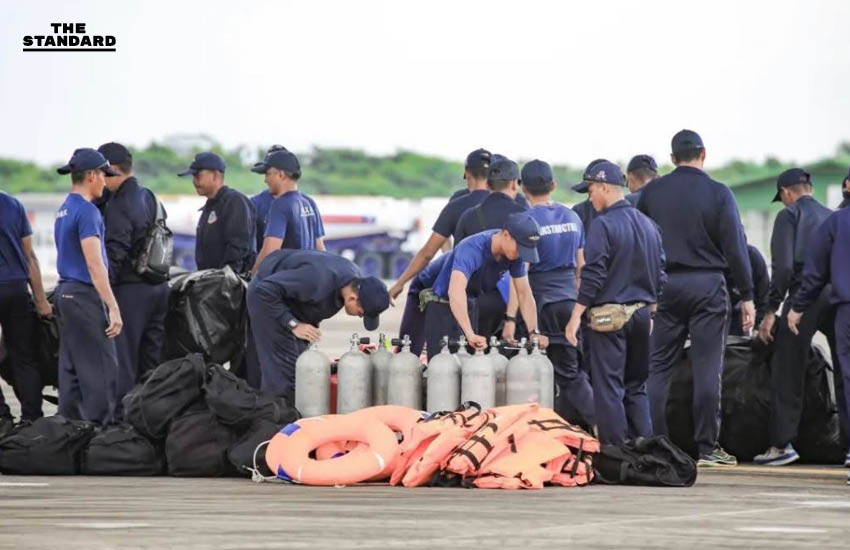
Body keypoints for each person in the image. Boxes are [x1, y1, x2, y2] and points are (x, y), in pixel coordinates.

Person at [638, 129, 754, 467]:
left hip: (663, 287)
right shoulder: (719, 193)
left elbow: (642, 239)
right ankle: (706, 447)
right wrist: (746, 294)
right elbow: (735, 246)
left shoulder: (652, 193)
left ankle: (654, 441)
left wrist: (646, 289)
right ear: (703, 154)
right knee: (707, 367)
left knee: (657, 368)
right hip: (707, 285)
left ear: (672, 158)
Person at [564, 161, 665, 446]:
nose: (590, 197)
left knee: (609, 387)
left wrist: (575, 317)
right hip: (642, 315)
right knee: (636, 387)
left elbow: (593, 275)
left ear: (606, 187)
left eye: (591, 190)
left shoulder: (602, 225)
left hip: (610, 318)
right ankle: (645, 448)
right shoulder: (649, 225)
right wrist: (652, 311)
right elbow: (661, 273)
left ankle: (616, 453)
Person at [753, 169, 837, 465]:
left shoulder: (789, 216)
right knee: (844, 369)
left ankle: (782, 445)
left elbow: (784, 268)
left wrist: (771, 311)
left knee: (787, 367)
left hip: (804, 296)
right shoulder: (833, 215)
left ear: (786, 193)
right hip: (838, 295)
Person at [509, 160, 592, 428]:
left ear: (522, 188)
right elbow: (582, 268)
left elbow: (521, 276)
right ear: (553, 185)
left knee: (535, 371)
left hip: (540, 304)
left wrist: (511, 317)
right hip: (570, 301)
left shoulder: (527, 222)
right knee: (571, 371)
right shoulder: (573, 217)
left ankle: (603, 425)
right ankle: (576, 426)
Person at [246, 249, 390, 402]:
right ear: (353, 299)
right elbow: (264, 290)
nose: (360, 316)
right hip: (265, 297)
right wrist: (293, 324)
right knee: (283, 373)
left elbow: (318, 301)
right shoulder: (316, 280)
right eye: (361, 313)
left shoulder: (353, 281)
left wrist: (311, 323)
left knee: (301, 367)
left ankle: (266, 407)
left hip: (287, 299)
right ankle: (277, 418)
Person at [53, 148, 123, 425]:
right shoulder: (88, 212)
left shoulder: (64, 209)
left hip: (65, 294)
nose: (106, 181)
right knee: (102, 369)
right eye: (103, 175)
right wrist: (113, 306)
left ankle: (69, 430)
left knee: (71, 369)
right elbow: (95, 264)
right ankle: (99, 433)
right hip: (83, 295)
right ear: (92, 175)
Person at [97, 142, 169, 403]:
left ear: (114, 170)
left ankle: (121, 424)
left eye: (102, 172)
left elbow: (116, 253)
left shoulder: (120, 204)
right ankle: (151, 417)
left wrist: (104, 295)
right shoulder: (149, 196)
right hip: (159, 287)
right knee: (151, 363)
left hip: (132, 290)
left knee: (123, 361)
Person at [421, 211, 545, 360]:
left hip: (471, 304)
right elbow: (456, 291)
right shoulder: (471, 248)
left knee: (472, 367)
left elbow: (524, 293)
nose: (521, 254)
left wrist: (534, 332)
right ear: (506, 235)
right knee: (443, 368)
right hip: (443, 307)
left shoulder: (515, 256)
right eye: (520, 248)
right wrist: (469, 333)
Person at [787, 206, 850, 468]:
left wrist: (798, 307)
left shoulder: (837, 222)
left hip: (847, 309)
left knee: (848, 378)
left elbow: (814, 273)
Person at [388, 149, 493, 301]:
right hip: (499, 287)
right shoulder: (507, 205)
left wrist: (400, 283)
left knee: (418, 287)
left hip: (464, 287)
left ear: (467, 174)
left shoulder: (456, 205)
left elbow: (428, 253)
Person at [454, 156, 529, 338]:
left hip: (472, 304)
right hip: (507, 304)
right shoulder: (525, 217)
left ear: (487, 185)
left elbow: (456, 264)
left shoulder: (468, 216)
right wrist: (511, 318)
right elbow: (523, 273)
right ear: (514, 184)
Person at [0, 191, 52, 434]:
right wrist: (41, 300)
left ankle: (2, 418)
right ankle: (33, 419)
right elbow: (29, 255)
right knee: (24, 357)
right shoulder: (13, 205)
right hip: (16, 290)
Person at [178, 152, 256, 273]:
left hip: (228, 284)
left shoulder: (234, 202)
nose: (194, 181)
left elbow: (238, 248)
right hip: (210, 281)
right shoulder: (210, 206)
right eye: (193, 177)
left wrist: (224, 279)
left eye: (197, 176)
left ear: (215, 175)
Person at [251, 149, 325, 274]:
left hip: (285, 283)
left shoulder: (280, 204)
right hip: (307, 280)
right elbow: (320, 249)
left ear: (280, 175)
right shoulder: (309, 203)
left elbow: (270, 250)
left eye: (268, 174)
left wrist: (253, 275)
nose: (265, 180)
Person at [250, 144, 289, 252]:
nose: (265, 180)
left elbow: (318, 246)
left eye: (268, 174)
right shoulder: (254, 204)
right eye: (266, 174)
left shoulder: (307, 204)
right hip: (268, 267)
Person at [727, 243, 769, 336]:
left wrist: (757, 327)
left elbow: (763, 296)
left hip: (739, 313)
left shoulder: (753, 257)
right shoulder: (714, 256)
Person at [571, 159, 611, 233]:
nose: (591, 199)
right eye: (589, 192)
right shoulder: (579, 211)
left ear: (604, 188)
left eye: (592, 191)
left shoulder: (628, 214)